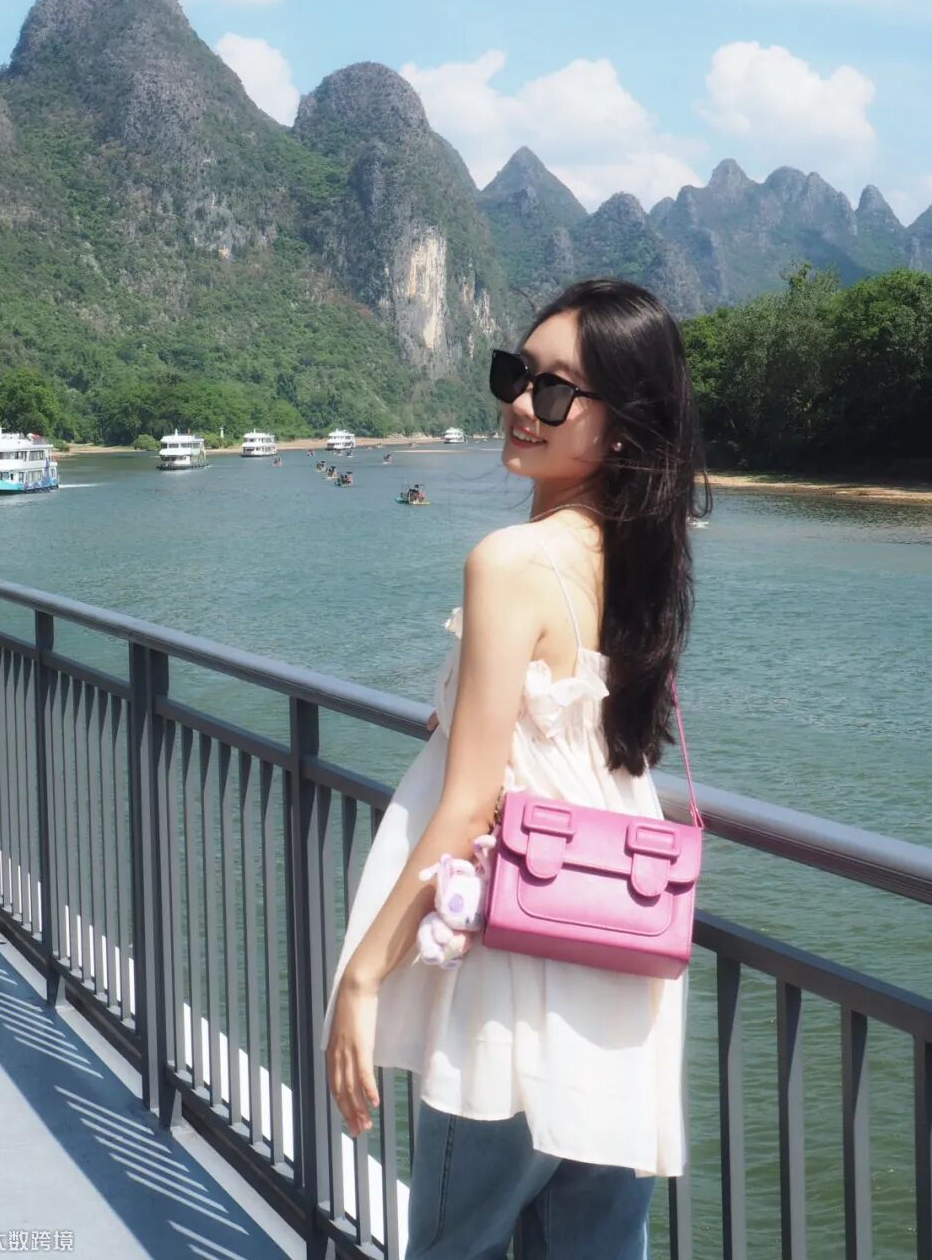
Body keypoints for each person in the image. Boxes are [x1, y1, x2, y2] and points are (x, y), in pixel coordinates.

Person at [324, 278, 710, 1259]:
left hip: (517, 966)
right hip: (620, 963)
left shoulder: (511, 561)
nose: (521, 404)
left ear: (622, 427)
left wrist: (362, 978)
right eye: (516, 374)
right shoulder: (635, 565)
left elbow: (468, 808)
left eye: (555, 390)